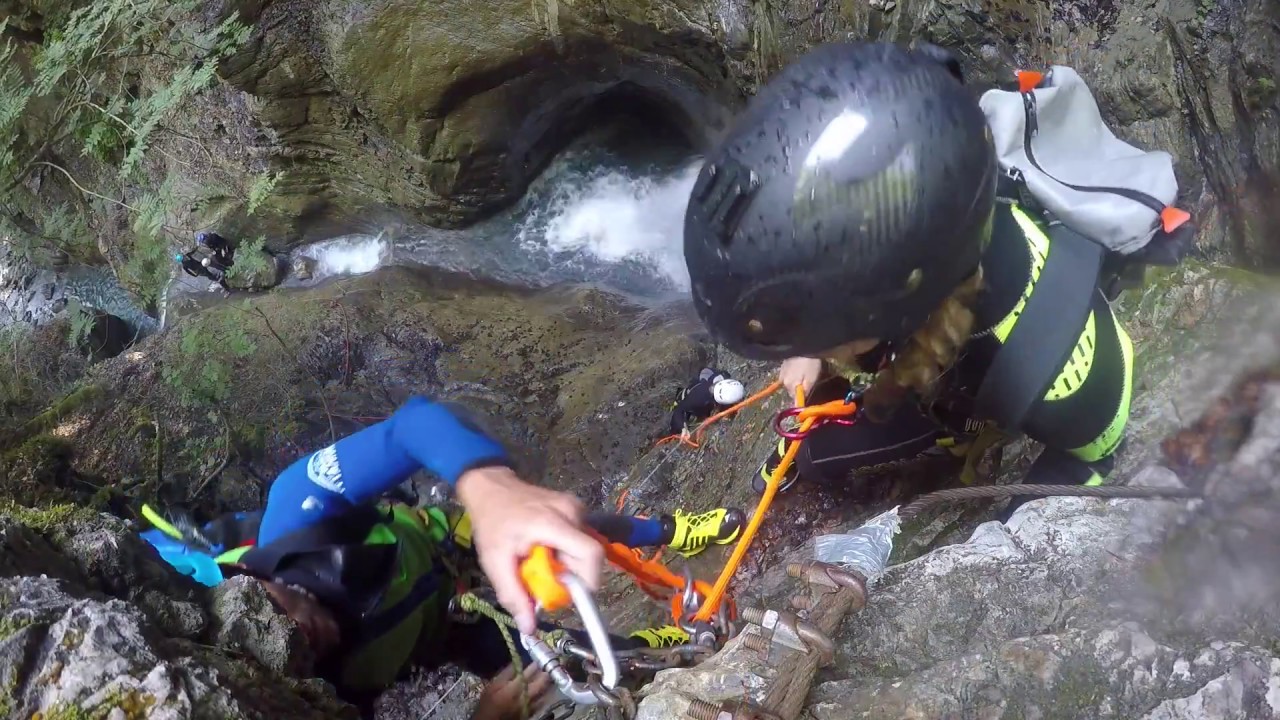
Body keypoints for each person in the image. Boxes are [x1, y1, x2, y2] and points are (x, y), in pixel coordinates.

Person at [681, 41, 1133, 515]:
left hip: (984, 383)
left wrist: (1006, 526)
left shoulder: (1065, 383)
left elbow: (1096, 449)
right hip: (949, 350)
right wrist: (810, 343)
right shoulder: (939, 217)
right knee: (817, 452)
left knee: (817, 454)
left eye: (831, 337)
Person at [142, 397, 744, 715]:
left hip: (438, 542)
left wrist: (490, 489)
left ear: (246, 572)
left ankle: (667, 529)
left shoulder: (296, 512)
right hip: (441, 634)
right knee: (572, 663)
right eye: (283, 654)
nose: (295, 632)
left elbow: (413, 427)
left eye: (272, 611)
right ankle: (669, 644)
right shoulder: (314, 699)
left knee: (560, 523)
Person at [668, 367, 747, 436]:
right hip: (689, 397)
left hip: (703, 389)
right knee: (678, 425)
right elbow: (680, 409)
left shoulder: (726, 381)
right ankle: (672, 434)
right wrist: (682, 427)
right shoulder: (699, 397)